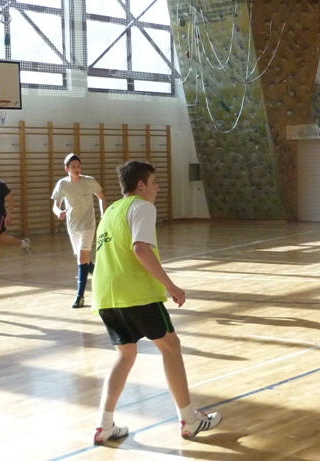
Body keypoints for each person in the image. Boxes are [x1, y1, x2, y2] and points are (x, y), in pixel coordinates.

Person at [91, 161, 221, 444]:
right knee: (171, 347)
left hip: (105, 297)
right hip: (136, 294)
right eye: (154, 182)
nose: (158, 188)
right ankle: (189, 419)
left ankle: (104, 425)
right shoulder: (142, 207)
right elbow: (140, 249)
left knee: (125, 355)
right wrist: (171, 286)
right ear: (141, 185)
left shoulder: (111, 210)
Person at [51, 153, 106, 308]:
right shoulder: (62, 184)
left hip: (88, 225)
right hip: (73, 225)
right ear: (67, 169)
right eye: (73, 166)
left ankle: (79, 297)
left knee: (82, 257)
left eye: (78, 166)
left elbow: (101, 197)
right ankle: (103, 276)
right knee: (83, 259)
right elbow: (56, 205)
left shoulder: (89, 181)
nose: (76, 169)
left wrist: (103, 215)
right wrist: (59, 212)